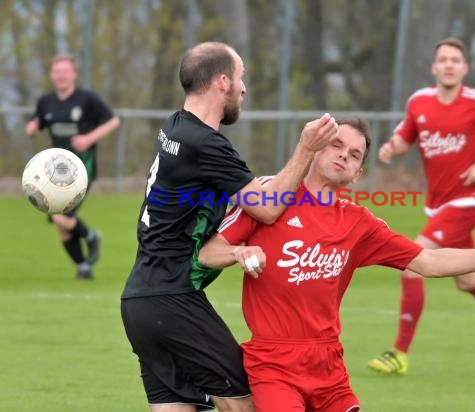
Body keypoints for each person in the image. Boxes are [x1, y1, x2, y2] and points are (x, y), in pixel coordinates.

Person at [197, 117, 475, 412]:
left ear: (358, 174)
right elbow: (208, 252)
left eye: (354, 154)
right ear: (316, 148)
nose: (344, 154)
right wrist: (238, 253)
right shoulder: (273, 195)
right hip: (273, 363)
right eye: (336, 145)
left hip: (328, 365)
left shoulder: (359, 223)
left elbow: (428, 261)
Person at [120, 41, 338, 412]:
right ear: (222, 81)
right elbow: (267, 209)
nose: (244, 88)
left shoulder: (175, 127)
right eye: (241, 77)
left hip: (139, 302)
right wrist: (305, 149)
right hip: (172, 299)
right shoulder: (205, 144)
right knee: (250, 404)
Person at [367, 37, 475, 376]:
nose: (448, 65)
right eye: (443, 59)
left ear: (465, 68)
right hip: (438, 204)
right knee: (467, 278)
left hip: (468, 198)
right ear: (434, 67)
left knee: (412, 262)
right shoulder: (419, 102)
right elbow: (407, 136)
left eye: (455, 60)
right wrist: (392, 148)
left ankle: (399, 353)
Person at [25, 54, 120, 280]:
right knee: (61, 223)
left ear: (74, 74)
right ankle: (83, 266)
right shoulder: (46, 101)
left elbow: (113, 121)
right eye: (57, 71)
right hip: (54, 171)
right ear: (51, 75)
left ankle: (90, 237)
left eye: (65, 71)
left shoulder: (87, 99)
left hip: (81, 168)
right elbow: (36, 122)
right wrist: (32, 126)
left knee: (60, 217)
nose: (61, 75)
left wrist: (88, 138)